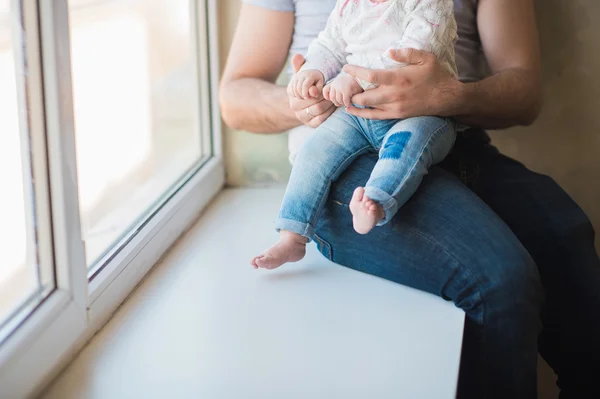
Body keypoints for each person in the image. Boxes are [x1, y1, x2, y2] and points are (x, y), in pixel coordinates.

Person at [220, 0, 600, 397]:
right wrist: (303, 98)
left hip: (447, 133)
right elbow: (235, 98)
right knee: (499, 279)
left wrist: (448, 97)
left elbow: (525, 92)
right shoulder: (348, 12)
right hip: (349, 154)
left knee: (565, 234)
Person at [252, 0, 458, 270]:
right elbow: (330, 44)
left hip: (421, 113)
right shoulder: (350, 5)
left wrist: (355, 79)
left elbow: (414, 51)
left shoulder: (430, 4)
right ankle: (292, 235)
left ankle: (375, 203)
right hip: (358, 113)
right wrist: (314, 70)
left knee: (404, 149)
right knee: (315, 150)